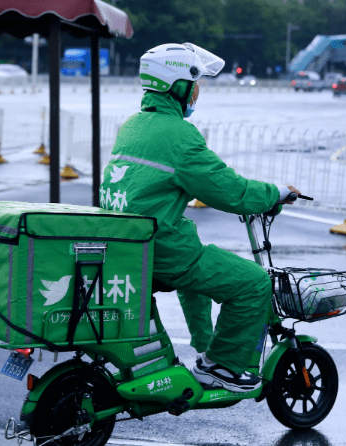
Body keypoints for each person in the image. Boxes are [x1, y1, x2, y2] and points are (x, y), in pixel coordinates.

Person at [99, 43, 300, 393]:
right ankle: (224, 366)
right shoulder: (179, 135)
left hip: (130, 242)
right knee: (253, 283)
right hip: (161, 248)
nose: (197, 92)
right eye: (195, 84)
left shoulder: (134, 125)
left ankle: (206, 347)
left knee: (198, 259)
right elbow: (228, 190)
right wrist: (275, 193)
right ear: (176, 85)